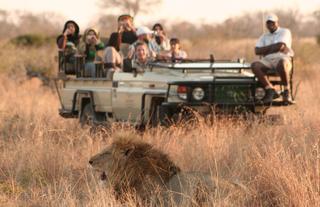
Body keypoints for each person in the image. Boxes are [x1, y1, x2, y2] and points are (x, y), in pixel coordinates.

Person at [251, 14, 294, 104]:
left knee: (282, 63)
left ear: (277, 23)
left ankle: (286, 91)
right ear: (266, 24)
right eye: (269, 23)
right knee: (255, 65)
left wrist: (265, 50)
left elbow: (280, 46)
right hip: (268, 60)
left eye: (273, 22)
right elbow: (257, 51)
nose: (271, 25)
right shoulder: (264, 36)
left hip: (282, 58)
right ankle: (270, 89)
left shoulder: (285, 32)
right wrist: (273, 48)